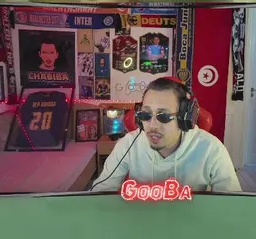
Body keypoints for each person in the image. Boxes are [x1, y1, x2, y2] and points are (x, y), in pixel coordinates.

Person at [90, 77, 241, 194]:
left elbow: (232, 205)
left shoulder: (211, 149)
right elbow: (100, 193)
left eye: (163, 116)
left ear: (184, 117)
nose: (152, 126)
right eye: (145, 115)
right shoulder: (128, 145)